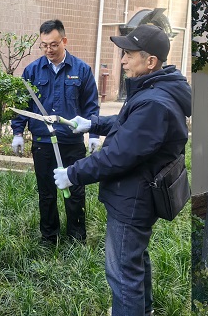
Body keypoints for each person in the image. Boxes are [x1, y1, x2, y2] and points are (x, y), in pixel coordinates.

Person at [53, 24, 191, 316]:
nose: (122, 60)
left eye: (128, 54)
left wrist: (72, 174)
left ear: (150, 60)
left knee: (122, 273)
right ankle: (145, 310)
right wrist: (93, 123)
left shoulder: (155, 102)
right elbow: (130, 122)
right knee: (135, 258)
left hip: (133, 200)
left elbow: (117, 155)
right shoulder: (156, 90)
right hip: (136, 195)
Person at [10, 19, 101, 244]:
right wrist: (18, 132)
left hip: (72, 142)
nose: (49, 50)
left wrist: (95, 134)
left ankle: (76, 238)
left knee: (76, 191)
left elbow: (91, 105)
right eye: (44, 45)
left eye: (53, 44)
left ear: (64, 41)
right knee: (47, 193)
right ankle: (49, 237)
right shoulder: (32, 71)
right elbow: (23, 105)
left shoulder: (81, 70)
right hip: (43, 142)